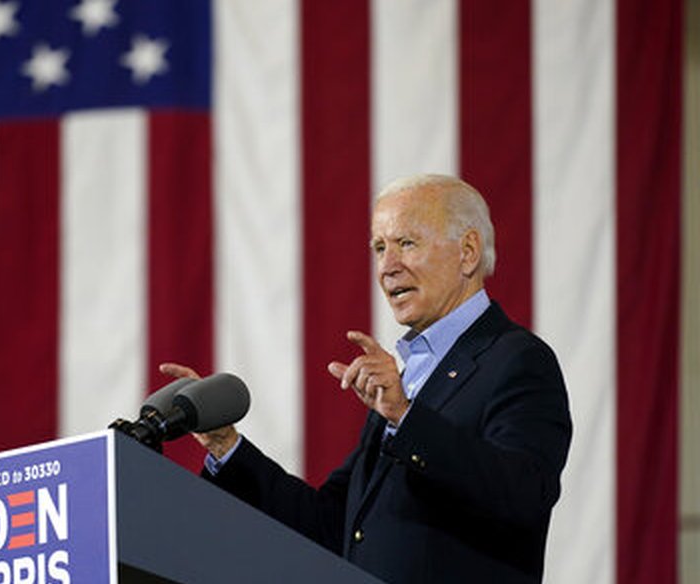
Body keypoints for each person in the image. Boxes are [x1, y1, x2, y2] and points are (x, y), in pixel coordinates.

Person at [160, 174, 572, 583]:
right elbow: (331, 524)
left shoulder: (517, 360)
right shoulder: (411, 380)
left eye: (407, 243)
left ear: (467, 252)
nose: (388, 267)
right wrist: (225, 445)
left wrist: (404, 416)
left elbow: (524, 495)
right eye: (379, 248)